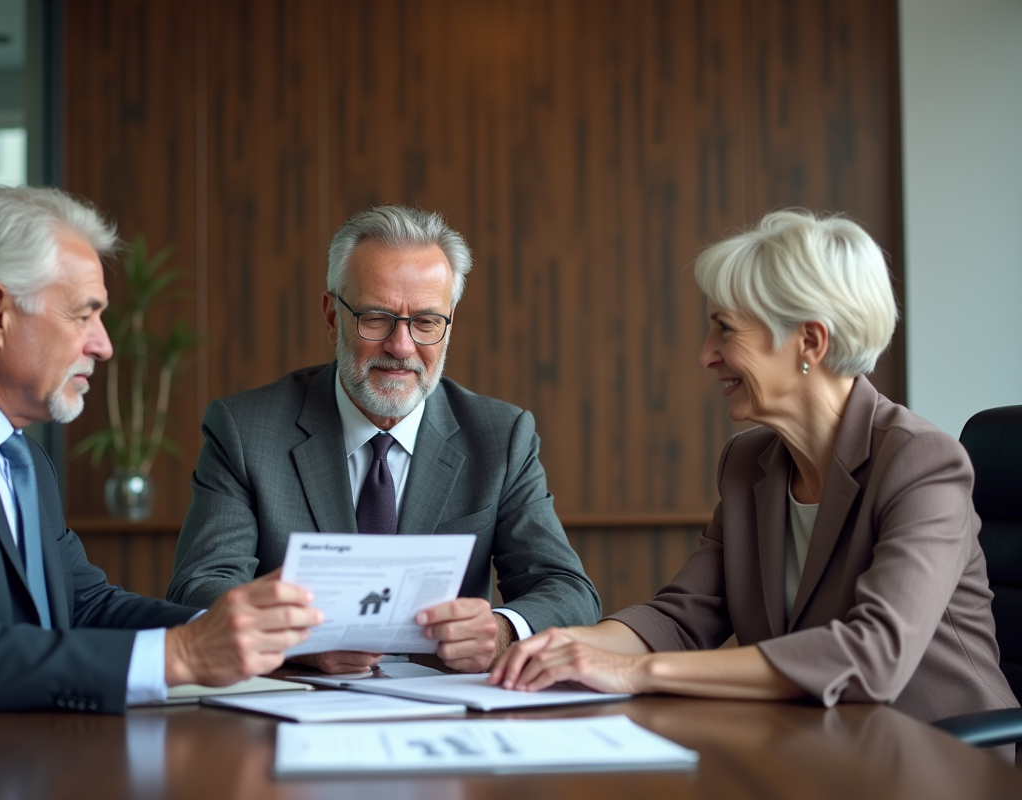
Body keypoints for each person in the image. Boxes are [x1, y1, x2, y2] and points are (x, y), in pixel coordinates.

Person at [490, 209, 1018, 759]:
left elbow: (873, 655)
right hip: (819, 755)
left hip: (939, 762)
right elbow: (682, 616)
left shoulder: (922, 462)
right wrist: (563, 645)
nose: (705, 354)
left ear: (809, 342)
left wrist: (634, 671)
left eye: (725, 329)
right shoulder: (748, 464)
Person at [0, 186, 322, 755]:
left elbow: (85, 606)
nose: (104, 346)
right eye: (85, 314)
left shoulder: (23, 457)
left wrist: (238, 628)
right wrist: (182, 655)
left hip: (9, 761)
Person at [167, 205, 600, 674]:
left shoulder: (500, 436)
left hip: (445, 714)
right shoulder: (245, 430)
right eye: (376, 318)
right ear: (333, 315)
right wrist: (300, 643)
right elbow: (199, 587)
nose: (401, 346)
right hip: (298, 704)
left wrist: (499, 632)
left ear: (449, 324)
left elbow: (569, 591)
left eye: (427, 322)